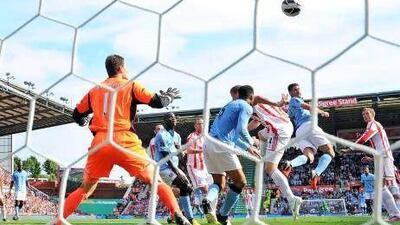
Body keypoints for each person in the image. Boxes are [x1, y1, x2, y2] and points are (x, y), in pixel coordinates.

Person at [57, 54, 191, 225]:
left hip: (100, 143)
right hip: (124, 140)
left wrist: (83, 120)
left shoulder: (95, 90)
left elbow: (77, 114)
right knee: (155, 180)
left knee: (86, 188)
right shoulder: (130, 84)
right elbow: (157, 101)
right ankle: (177, 213)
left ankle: (59, 220)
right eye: (125, 68)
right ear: (120, 68)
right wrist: (169, 97)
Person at [202, 85, 260, 225]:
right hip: (222, 145)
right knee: (240, 182)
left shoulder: (229, 106)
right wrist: (250, 145)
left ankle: (208, 200)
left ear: (237, 93)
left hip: (208, 143)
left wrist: (247, 144)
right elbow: (241, 130)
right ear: (251, 97)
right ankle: (222, 216)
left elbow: (235, 135)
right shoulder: (246, 106)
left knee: (219, 182)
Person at [247, 93, 303, 220]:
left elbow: (257, 97)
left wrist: (278, 103)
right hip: (281, 127)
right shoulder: (254, 108)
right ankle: (262, 158)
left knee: (270, 169)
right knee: (261, 134)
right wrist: (244, 129)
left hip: (278, 131)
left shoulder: (252, 99)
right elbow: (256, 122)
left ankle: (292, 199)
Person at [344, 108, 400, 222]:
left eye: (367, 113)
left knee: (390, 185)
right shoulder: (373, 125)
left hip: (384, 158)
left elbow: (364, 137)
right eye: (363, 114)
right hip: (381, 158)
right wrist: (371, 158)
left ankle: (396, 213)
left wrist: (351, 148)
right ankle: (395, 213)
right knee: (384, 186)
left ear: (372, 115)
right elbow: (378, 145)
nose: (365, 115)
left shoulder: (373, 124)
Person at [283, 83, 335, 190]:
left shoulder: (292, 106)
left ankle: (290, 164)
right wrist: (322, 112)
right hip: (309, 126)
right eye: (295, 90)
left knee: (309, 157)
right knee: (330, 152)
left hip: (300, 131)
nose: (298, 91)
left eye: (298, 89)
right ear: (291, 93)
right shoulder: (294, 100)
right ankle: (316, 172)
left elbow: (288, 117)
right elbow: (306, 106)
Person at [154, 112, 200, 225]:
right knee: (184, 186)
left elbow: (178, 155)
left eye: (174, 117)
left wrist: (181, 151)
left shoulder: (177, 136)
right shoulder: (161, 135)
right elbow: (166, 156)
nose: (173, 119)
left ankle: (175, 215)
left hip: (174, 167)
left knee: (187, 188)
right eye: (169, 117)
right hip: (164, 168)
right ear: (164, 121)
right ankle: (188, 218)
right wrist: (178, 172)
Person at [186, 117, 209, 218]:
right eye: (199, 124)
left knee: (210, 188)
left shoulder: (206, 137)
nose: (201, 125)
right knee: (204, 188)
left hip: (204, 167)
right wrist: (201, 151)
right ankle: (206, 209)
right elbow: (188, 150)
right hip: (194, 167)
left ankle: (204, 206)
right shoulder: (192, 136)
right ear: (195, 126)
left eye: (202, 123)